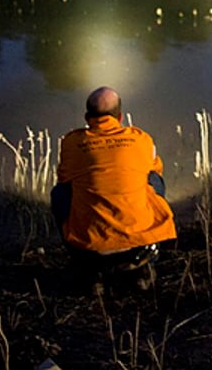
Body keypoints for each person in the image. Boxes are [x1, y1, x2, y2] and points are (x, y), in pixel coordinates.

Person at [50, 86, 176, 286]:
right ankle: (145, 255)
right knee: (153, 179)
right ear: (120, 117)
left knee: (60, 192)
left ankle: (86, 264)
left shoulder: (72, 142)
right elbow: (155, 171)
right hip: (138, 244)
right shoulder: (140, 138)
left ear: (86, 117)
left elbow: (64, 178)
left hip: (91, 246)